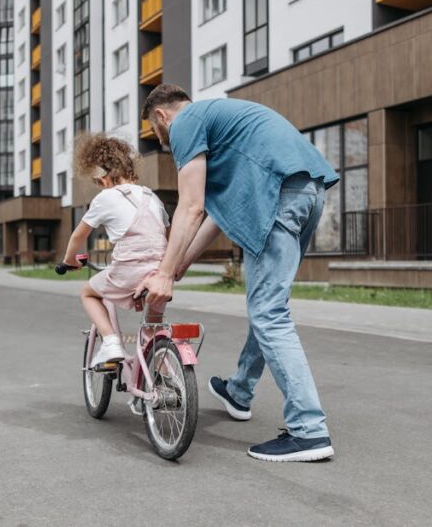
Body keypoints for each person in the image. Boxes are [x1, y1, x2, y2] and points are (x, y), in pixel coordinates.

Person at [135, 84, 339, 462]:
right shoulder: (222, 125)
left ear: (161, 116)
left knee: (269, 314)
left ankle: (309, 431)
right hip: (306, 190)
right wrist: (179, 265)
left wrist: (162, 275)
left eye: (155, 131)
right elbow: (216, 215)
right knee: (268, 307)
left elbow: (191, 207)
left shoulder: (186, 123)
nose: (163, 142)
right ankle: (240, 391)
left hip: (280, 194)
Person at [60, 133, 170, 368]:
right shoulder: (153, 197)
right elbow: (165, 235)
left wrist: (69, 259)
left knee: (88, 292)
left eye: (98, 181)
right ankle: (165, 376)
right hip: (160, 274)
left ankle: (110, 343)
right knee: (152, 326)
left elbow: (78, 235)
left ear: (104, 177)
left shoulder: (106, 197)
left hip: (128, 272)